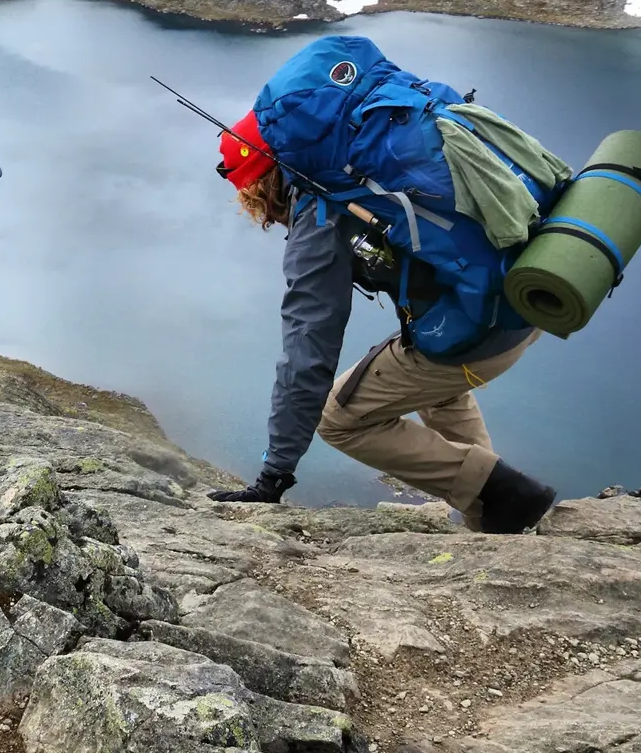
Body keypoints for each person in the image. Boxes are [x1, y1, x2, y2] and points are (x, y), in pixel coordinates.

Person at [210, 110, 558, 534]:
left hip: (476, 333)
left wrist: (275, 472)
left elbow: (307, 348)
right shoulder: (361, 163)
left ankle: (501, 493)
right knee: (435, 388)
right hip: (524, 296)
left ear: (260, 187)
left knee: (338, 419)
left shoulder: (322, 212)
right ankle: (489, 516)